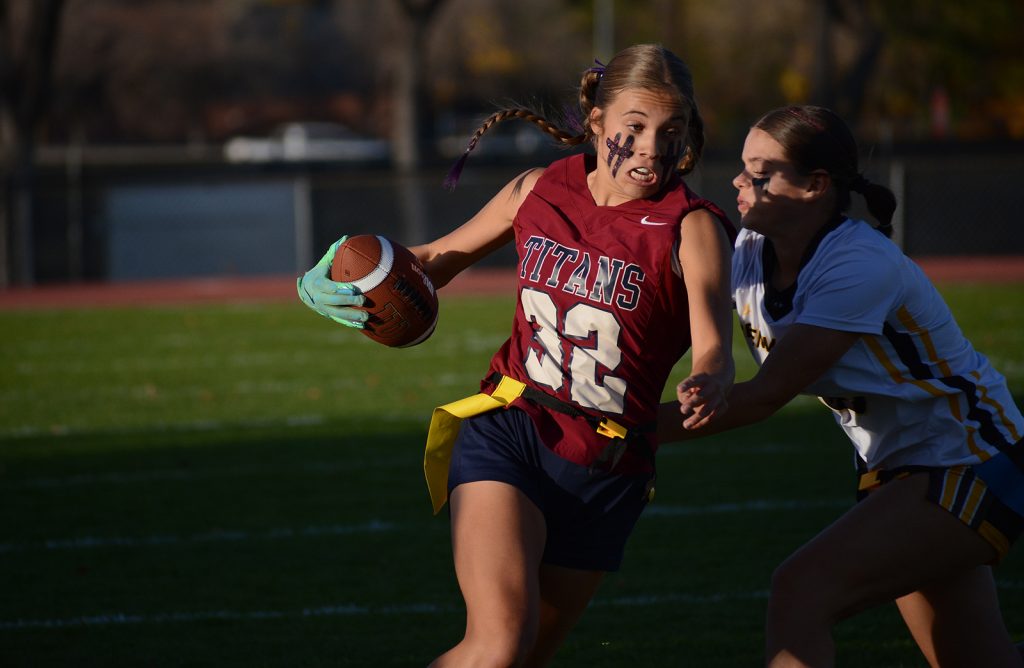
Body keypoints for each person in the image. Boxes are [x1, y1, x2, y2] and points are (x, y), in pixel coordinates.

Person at [298, 44, 736, 666]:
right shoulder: (538, 188)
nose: (651, 147)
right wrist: (338, 273)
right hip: (513, 429)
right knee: (498, 645)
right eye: (633, 128)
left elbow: (714, 346)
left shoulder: (691, 227)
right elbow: (432, 262)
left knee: (522, 657)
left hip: (608, 467)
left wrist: (710, 379)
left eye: (671, 130)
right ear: (598, 121)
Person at [658, 104, 1024, 667]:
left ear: (815, 186)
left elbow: (764, 395)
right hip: (900, 465)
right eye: (742, 166)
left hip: (969, 457)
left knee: (800, 593)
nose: (738, 181)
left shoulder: (857, 264)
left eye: (760, 171)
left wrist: (618, 434)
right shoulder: (751, 248)